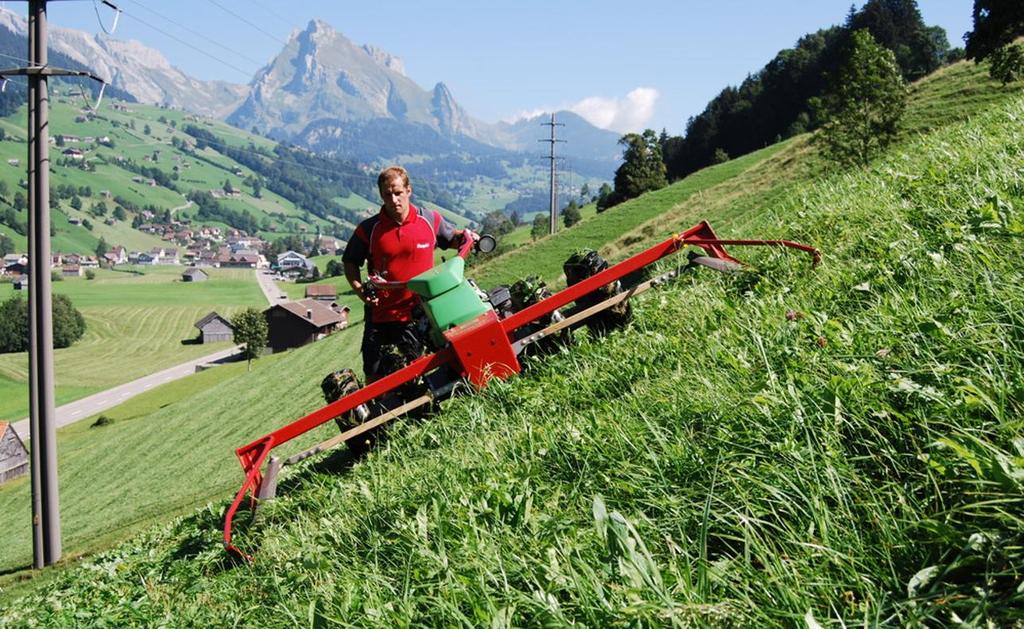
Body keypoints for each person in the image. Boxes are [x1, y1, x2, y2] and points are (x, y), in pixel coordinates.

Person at [342, 166, 469, 382]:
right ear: (381, 195)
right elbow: (350, 261)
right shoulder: (369, 229)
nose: (393, 199)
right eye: (387, 194)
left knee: (417, 368)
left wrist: (467, 236)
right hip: (381, 312)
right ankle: (379, 413)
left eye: (398, 192)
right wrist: (360, 290)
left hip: (419, 312)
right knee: (373, 373)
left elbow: (453, 238)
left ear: (409, 190)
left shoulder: (429, 220)